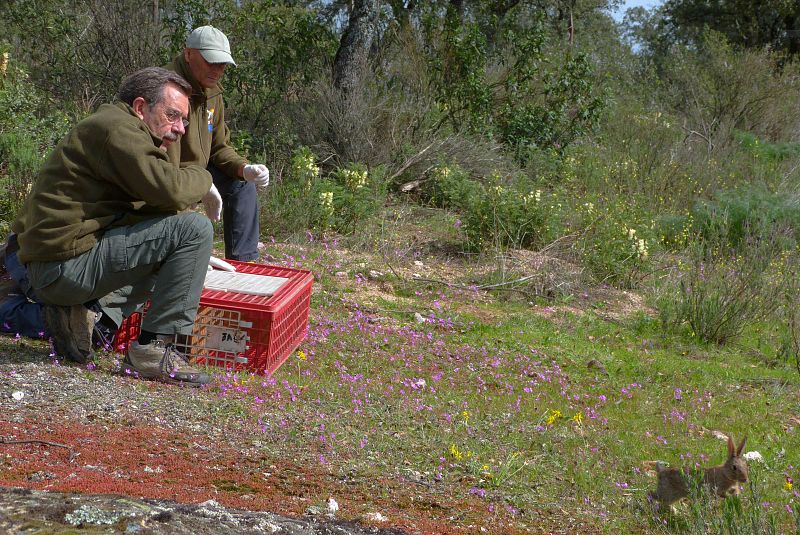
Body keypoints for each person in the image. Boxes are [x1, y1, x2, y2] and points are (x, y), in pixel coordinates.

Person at [11, 67, 216, 386]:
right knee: (195, 230)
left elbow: (157, 208)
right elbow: (171, 190)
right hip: (61, 269)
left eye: (184, 120)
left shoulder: (117, 126)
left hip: (59, 264)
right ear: (140, 107)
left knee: (178, 232)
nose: (179, 129)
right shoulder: (119, 130)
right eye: (173, 115)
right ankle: (152, 347)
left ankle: (81, 314)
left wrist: (190, 256)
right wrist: (206, 178)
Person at [165, 25, 270, 262]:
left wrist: (244, 168)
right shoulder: (165, 90)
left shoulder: (213, 93)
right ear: (189, 54)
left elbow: (219, 147)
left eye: (222, 63)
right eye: (211, 61)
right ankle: (180, 254)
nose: (218, 69)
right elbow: (161, 163)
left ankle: (242, 264)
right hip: (170, 174)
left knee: (243, 184)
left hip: (201, 171)